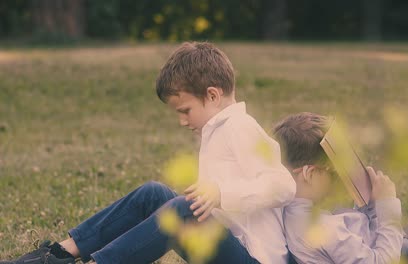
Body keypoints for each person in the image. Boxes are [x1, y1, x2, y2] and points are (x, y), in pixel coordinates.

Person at [1, 42, 296, 264]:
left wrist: (221, 194)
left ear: (213, 95)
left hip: (255, 258)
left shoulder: (241, 128)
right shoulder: (218, 128)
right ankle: (59, 254)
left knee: (183, 208)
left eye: (185, 111)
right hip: (226, 243)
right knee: (153, 193)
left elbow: (284, 186)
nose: (182, 121)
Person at [273, 112, 405, 264]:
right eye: (333, 172)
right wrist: (388, 207)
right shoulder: (323, 228)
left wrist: (370, 209)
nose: (338, 179)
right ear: (309, 174)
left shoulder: (289, 213)